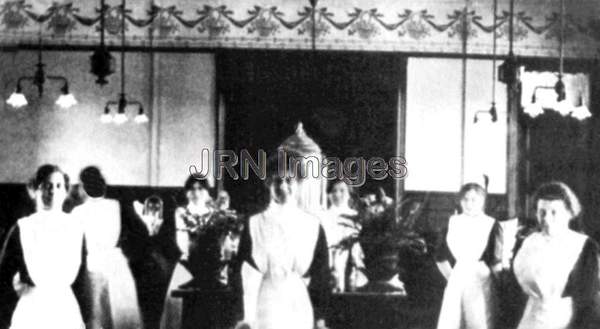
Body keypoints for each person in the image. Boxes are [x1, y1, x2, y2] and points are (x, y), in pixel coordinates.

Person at [235, 156, 330, 329]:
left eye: (289, 180)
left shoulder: (312, 226)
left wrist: (320, 319)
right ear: (268, 184)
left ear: (299, 184)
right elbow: (241, 271)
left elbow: (321, 276)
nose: (283, 186)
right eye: (277, 181)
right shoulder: (254, 224)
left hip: (298, 303)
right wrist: (244, 317)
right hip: (264, 304)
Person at [0, 164, 85, 329]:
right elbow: (3, 274)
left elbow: (81, 279)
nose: (53, 191)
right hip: (32, 307)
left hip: (65, 309)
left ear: (65, 191)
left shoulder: (75, 226)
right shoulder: (23, 227)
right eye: (47, 186)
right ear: (35, 190)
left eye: (58, 186)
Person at [511, 182, 600, 329]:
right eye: (542, 212)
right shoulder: (528, 242)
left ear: (569, 213)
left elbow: (588, 301)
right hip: (531, 318)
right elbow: (516, 290)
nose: (546, 219)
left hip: (567, 320)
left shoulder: (584, 246)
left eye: (554, 212)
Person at [71, 166, 143, 329]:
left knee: (99, 316)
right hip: (117, 265)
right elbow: (139, 234)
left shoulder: (78, 212)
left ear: (83, 187)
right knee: (119, 316)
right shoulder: (117, 205)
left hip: (94, 266)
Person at [436, 183, 502, 329]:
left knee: (478, 318)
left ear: (482, 201)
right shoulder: (452, 222)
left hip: (480, 276)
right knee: (452, 319)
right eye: (465, 199)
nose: (469, 204)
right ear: (460, 201)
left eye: (474, 200)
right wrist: (453, 278)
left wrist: (499, 283)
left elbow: (495, 261)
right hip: (458, 274)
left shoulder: (491, 224)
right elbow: (440, 256)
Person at [159, 176, 212, 329]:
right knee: (179, 310)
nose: (196, 192)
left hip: (209, 267)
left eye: (200, 188)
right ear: (187, 192)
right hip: (187, 264)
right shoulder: (181, 212)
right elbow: (182, 241)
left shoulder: (213, 213)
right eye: (192, 189)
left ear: (207, 192)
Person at [323, 179, 366, 292]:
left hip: (350, 259)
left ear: (348, 193)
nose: (338, 194)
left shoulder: (355, 216)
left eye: (342, 191)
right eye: (334, 191)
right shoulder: (324, 216)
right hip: (329, 257)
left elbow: (357, 241)